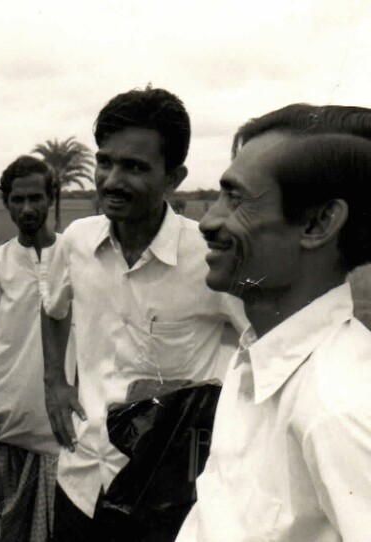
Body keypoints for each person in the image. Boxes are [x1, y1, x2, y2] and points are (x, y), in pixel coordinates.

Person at [41, 86, 246, 541]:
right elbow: (52, 306)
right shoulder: (76, 241)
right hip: (81, 477)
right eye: (105, 161)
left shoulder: (209, 257)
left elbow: (263, 349)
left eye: (134, 167)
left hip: (167, 497)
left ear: (174, 177)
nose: (112, 180)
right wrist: (54, 381)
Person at [176, 105, 371, 541]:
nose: (207, 221)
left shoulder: (340, 409)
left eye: (237, 198)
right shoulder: (254, 354)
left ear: (319, 223)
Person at [0, 155, 61, 542]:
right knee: (7, 529)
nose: (27, 209)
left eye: (36, 198)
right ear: (5, 203)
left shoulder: (75, 257)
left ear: (51, 199)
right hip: (8, 425)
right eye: (17, 200)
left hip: (63, 432)